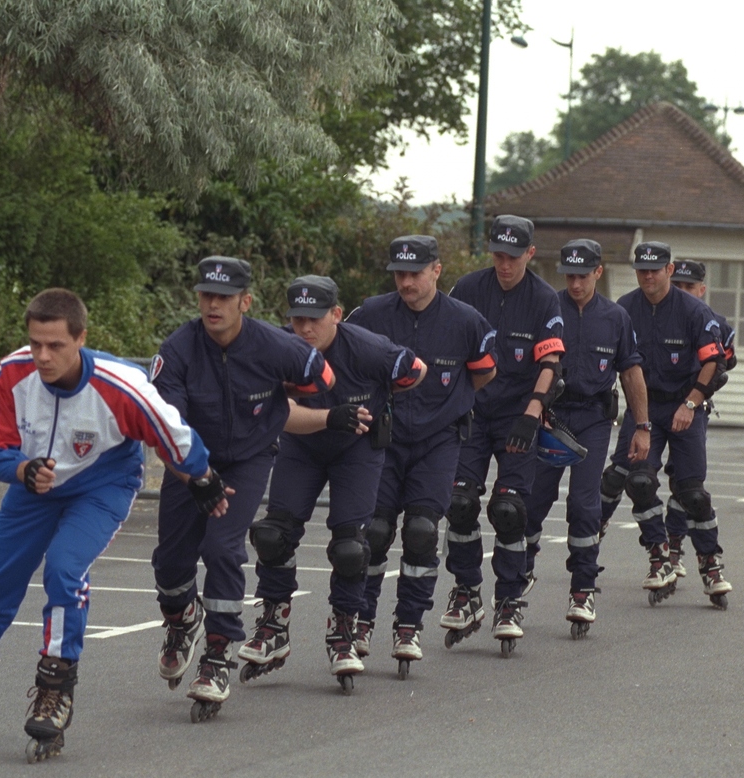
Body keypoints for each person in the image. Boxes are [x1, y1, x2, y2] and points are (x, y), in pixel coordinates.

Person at [0, 288, 218, 760]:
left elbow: (173, 433)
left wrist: (203, 478)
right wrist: (21, 470)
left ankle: (55, 689)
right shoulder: (13, 372)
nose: (42, 356)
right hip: (36, 487)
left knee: (65, 570)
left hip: (102, 486)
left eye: (55, 345)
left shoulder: (120, 384)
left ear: (81, 339)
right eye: (35, 343)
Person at [149, 256, 335, 720]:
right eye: (206, 296)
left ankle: (217, 656)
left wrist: (284, 400)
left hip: (249, 459)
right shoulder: (177, 350)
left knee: (222, 548)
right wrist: (197, 478)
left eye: (224, 297)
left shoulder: (275, 345)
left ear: (244, 302)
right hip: (191, 463)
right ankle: (182, 619)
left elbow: (323, 377)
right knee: (170, 565)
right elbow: (165, 430)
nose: (213, 305)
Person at [239, 275, 425, 692]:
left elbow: (416, 370)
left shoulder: (367, 348)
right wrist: (329, 417)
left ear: (336, 315)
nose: (306, 329)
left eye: (315, 319)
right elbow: (282, 413)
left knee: (351, 546)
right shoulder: (279, 349)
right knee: (272, 534)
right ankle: (274, 623)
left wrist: (385, 399)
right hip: (303, 444)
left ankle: (344, 628)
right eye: (298, 320)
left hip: (356, 448)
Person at [346, 235, 496, 675]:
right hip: (384, 440)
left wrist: (446, 406)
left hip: (438, 440)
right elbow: (344, 358)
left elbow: (484, 373)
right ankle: (361, 619)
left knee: (422, 531)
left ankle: (409, 625)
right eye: (399, 274)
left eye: (415, 273)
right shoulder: (370, 314)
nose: (406, 282)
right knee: (373, 532)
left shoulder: (466, 321)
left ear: (436, 270)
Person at [443, 214, 564, 654]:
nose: (505, 265)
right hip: (473, 412)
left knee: (509, 509)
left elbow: (551, 364)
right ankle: (466, 590)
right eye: (498, 255)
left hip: (518, 415)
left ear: (530, 253)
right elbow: (445, 347)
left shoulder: (544, 299)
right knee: (458, 502)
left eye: (513, 256)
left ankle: (509, 599)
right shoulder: (468, 288)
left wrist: (533, 412)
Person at [520, 240, 649, 636]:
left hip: (593, 417)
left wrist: (642, 426)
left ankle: (582, 589)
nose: (575, 284)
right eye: (569, 276)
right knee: (533, 500)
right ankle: (520, 569)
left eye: (582, 276)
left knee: (584, 504)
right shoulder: (547, 308)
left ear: (598, 272)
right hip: (551, 415)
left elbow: (631, 373)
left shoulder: (615, 317)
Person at [598, 243, 733, 608]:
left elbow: (715, 362)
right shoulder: (624, 308)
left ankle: (710, 563)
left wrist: (692, 402)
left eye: (655, 270)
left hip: (686, 404)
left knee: (692, 493)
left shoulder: (694, 310)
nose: (648, 276)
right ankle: (659, 555)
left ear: (668, 270)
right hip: (644, 407)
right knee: (638, 480)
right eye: (642, 270)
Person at [662, 259, 737, 579]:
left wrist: (695, 397)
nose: (682, 292)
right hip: (656, 407)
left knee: (689, 485)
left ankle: (687, 550)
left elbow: (723, 366)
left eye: (689, 286)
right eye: (676, 285)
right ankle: (664, 549)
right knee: (631, 477)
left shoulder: (716, 324)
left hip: (693, 408)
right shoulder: (657, 317)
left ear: (702, 289)